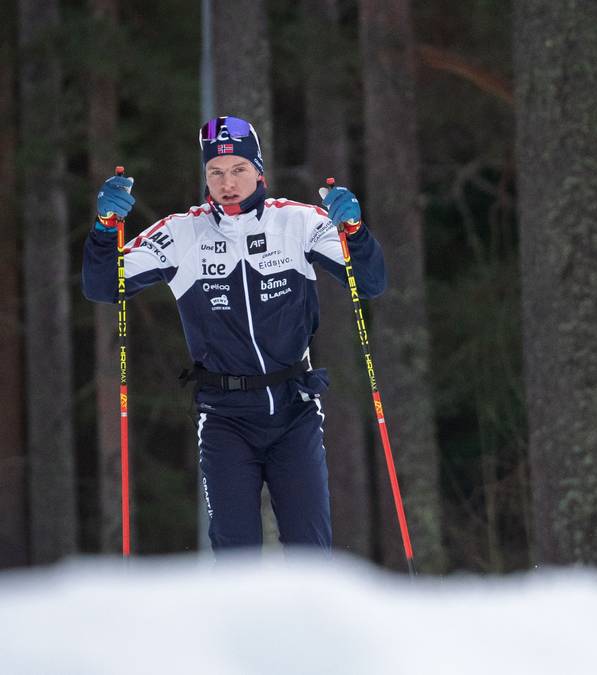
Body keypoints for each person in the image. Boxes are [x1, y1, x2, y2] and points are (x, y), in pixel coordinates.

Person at [83, 116, 386, 552]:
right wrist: (104, 226)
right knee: (235, 557)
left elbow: (369, 283)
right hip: (225, 417)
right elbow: (102, 286)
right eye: (216, 172)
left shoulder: (298, 222)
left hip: (294, 410)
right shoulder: (181, 233)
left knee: (311, 553)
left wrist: (355, 232)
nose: (228, 183)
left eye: (239, 169)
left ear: (259, 171)